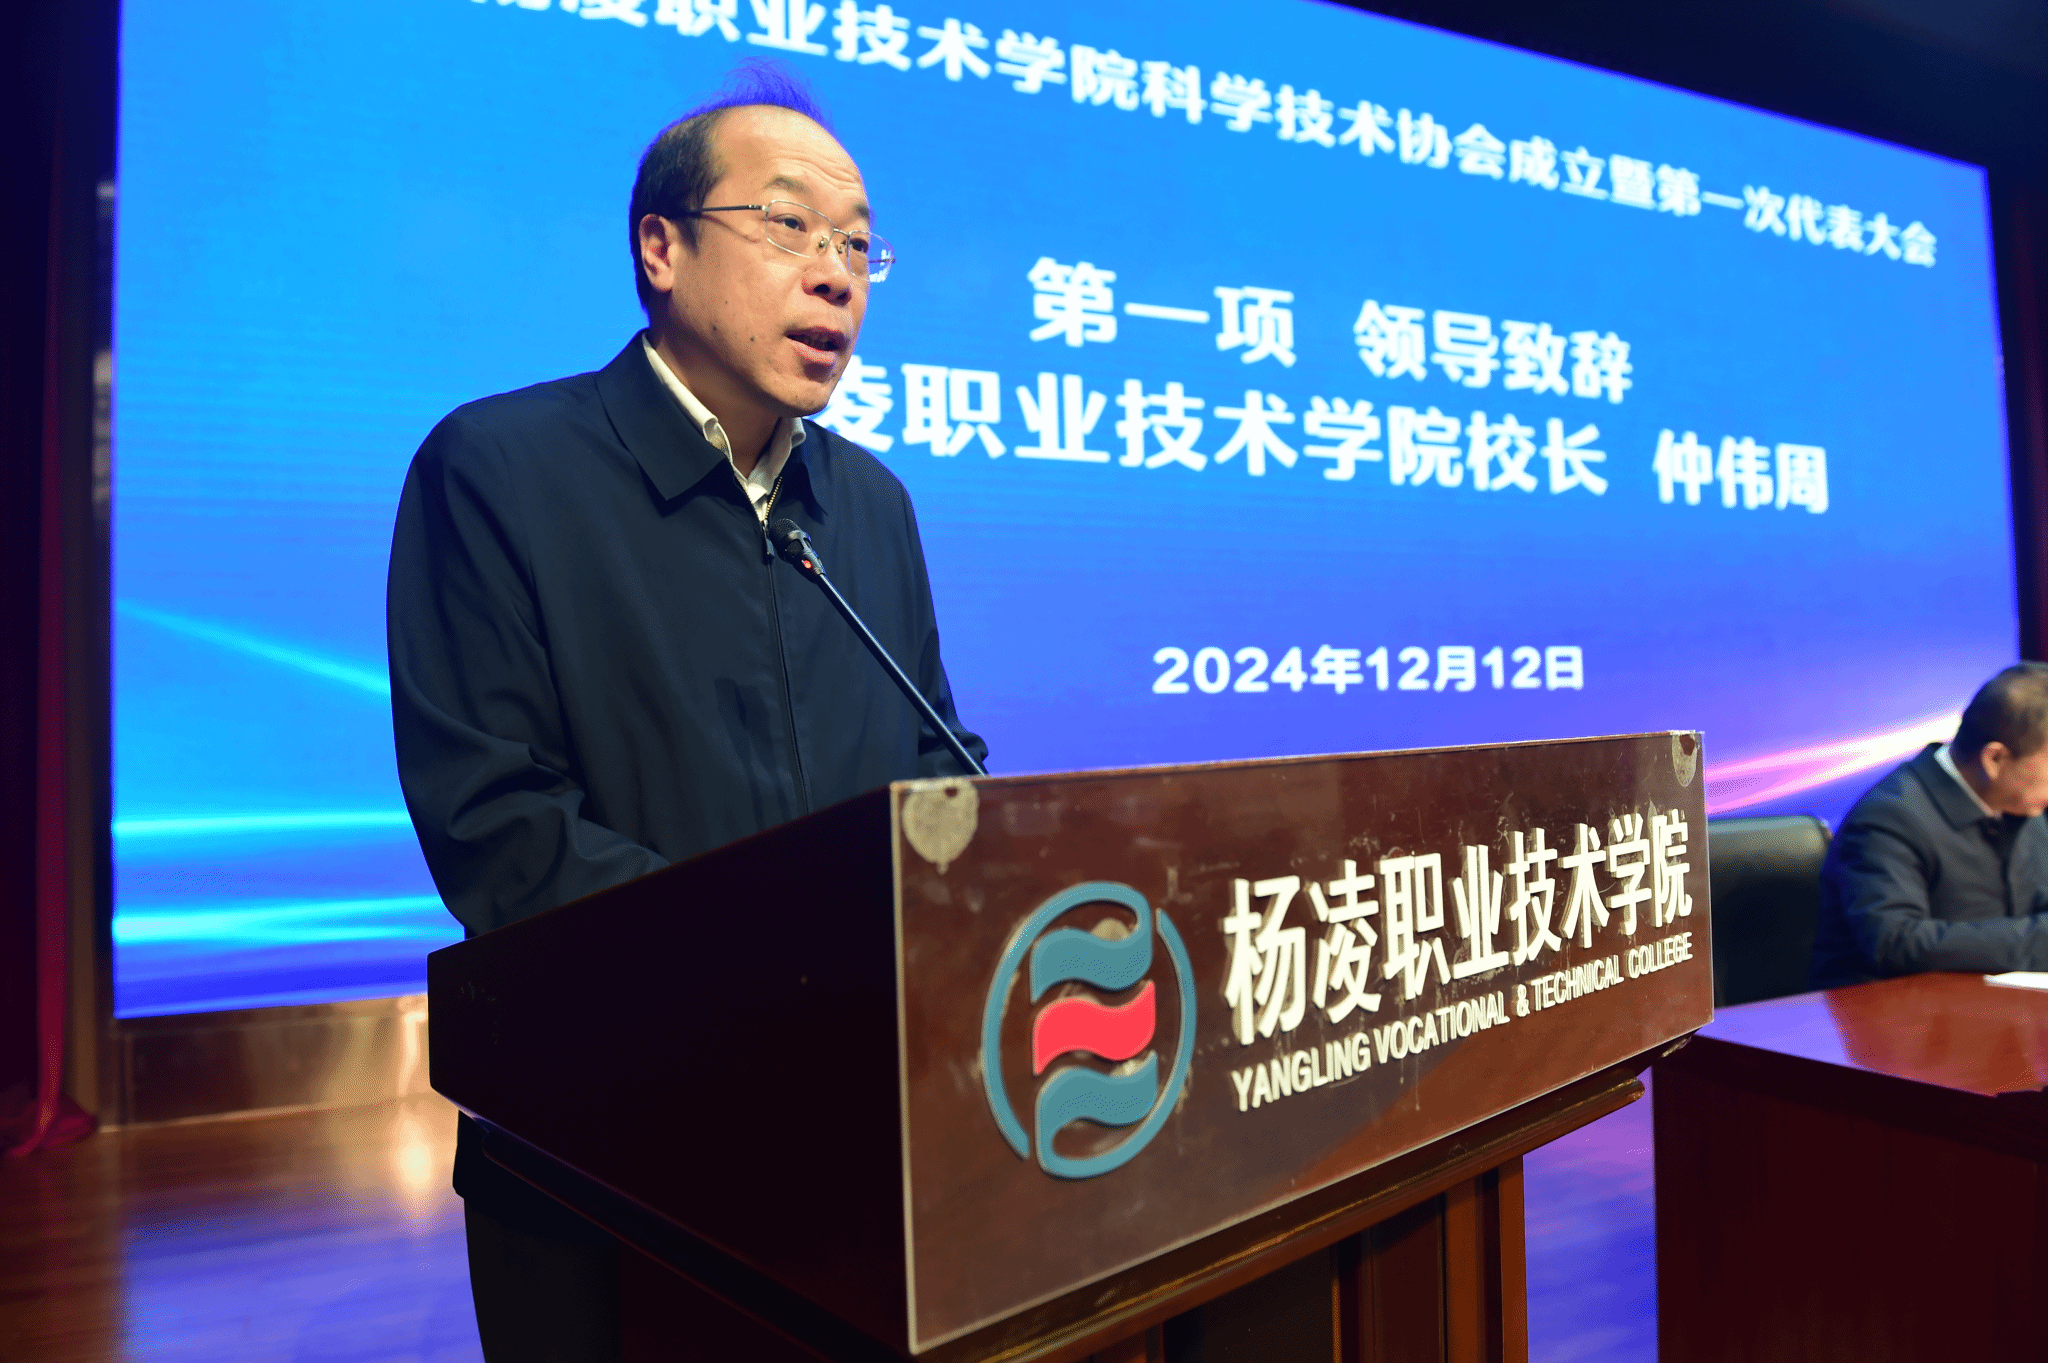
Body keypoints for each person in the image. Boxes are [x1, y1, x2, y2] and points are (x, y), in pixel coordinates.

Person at [385, 66, 985, 1362]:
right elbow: (501, 828)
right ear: (659, 248)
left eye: (858, 244)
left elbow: (938, 759)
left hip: (857, 1144)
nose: (835, 274)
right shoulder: (498, 470)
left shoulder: (872, 506)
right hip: (605, 1160)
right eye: (789, 225)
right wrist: (781, 976)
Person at [1810, 663, 2048, 987]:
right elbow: (1896, 943)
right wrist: (2037, 942)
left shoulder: (2021, 803)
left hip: (1995, 1000)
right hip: (1889, 1009)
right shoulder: (1887, 817)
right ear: (1994, 759)